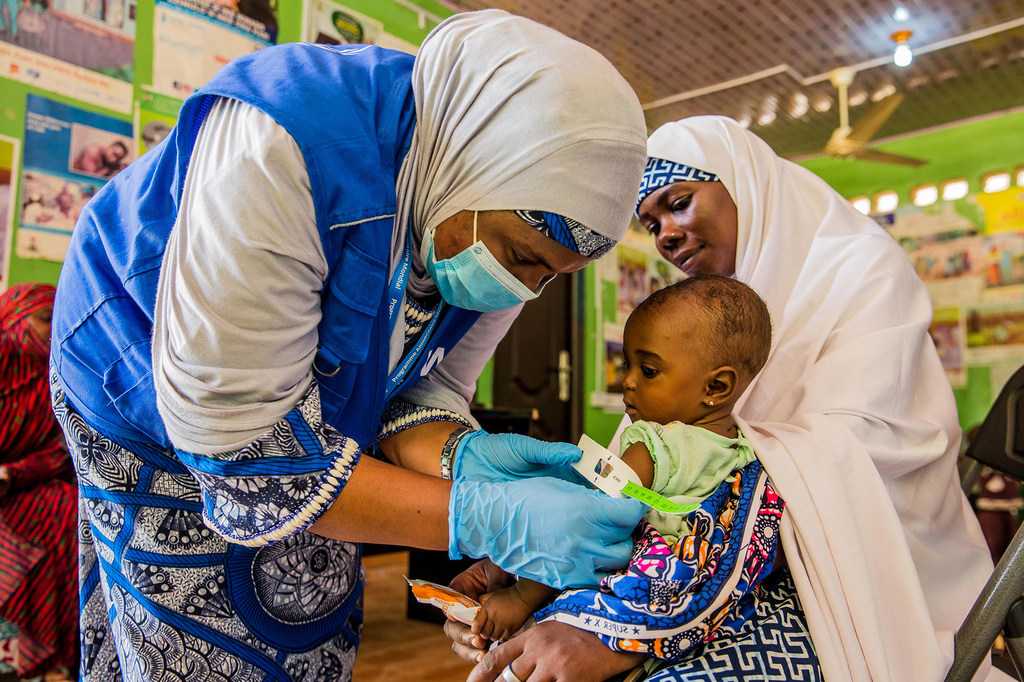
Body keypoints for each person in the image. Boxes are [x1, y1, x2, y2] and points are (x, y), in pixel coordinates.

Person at [50, 10, 649, 682]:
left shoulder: (475, 204)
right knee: (196, 631)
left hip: (282, 419)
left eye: (550, 276)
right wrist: (482, 517)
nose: (524, 289)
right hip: (136, 367)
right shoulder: (285, 142)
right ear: (477, 165)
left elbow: (418, 392)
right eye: (521, 257)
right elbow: (245, 455)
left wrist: (462, 455)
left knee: (312, 606)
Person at [448, 115, 1002, 682]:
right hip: (709, 566)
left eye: (678, 202)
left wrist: (625, 633)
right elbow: (635, 482)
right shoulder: (697, 318)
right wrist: (527, 560)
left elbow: (867, 450)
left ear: (745, 187)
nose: (664, 233)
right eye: (651, 222)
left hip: (848, 579)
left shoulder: (861, 273)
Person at [471, 275, 775, 647]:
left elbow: (583, 528)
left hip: (624, 600)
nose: (628, 382)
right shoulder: (745, 450)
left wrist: (520, 598)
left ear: (716, 387)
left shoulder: (652, 445)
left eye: (648, 370)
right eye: (626, 364)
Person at [0, 283, 78, 682]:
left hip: (20, 488)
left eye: (56, 321)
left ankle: (49, 656)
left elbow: (58, 452)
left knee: (66, 508)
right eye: (43, 319)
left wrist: (13, 474)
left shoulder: (55, 379)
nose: (51, 331)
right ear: (12, 318)